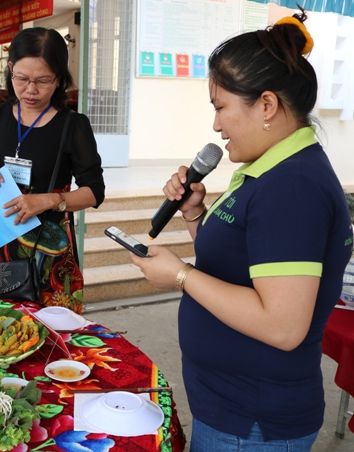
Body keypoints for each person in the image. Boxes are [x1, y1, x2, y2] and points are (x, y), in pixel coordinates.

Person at [130, 10, 353, 451]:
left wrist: (180, 277)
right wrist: (195, 214)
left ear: (266, 105)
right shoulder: (270, 169)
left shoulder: (294, 186)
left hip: (252, 422)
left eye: (220, 107)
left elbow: (284, 325)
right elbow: (240, 266)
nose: (215, 125)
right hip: (231, 409)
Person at [0, 27, 105, 314]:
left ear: (59, 78)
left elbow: (95, 191)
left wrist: (47, 200)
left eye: (43, 81)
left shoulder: (72, 125)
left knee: (54, 338)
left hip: (50, 253)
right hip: (0, 246)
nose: (31, 90)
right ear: (10, 70)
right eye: (22, 79)